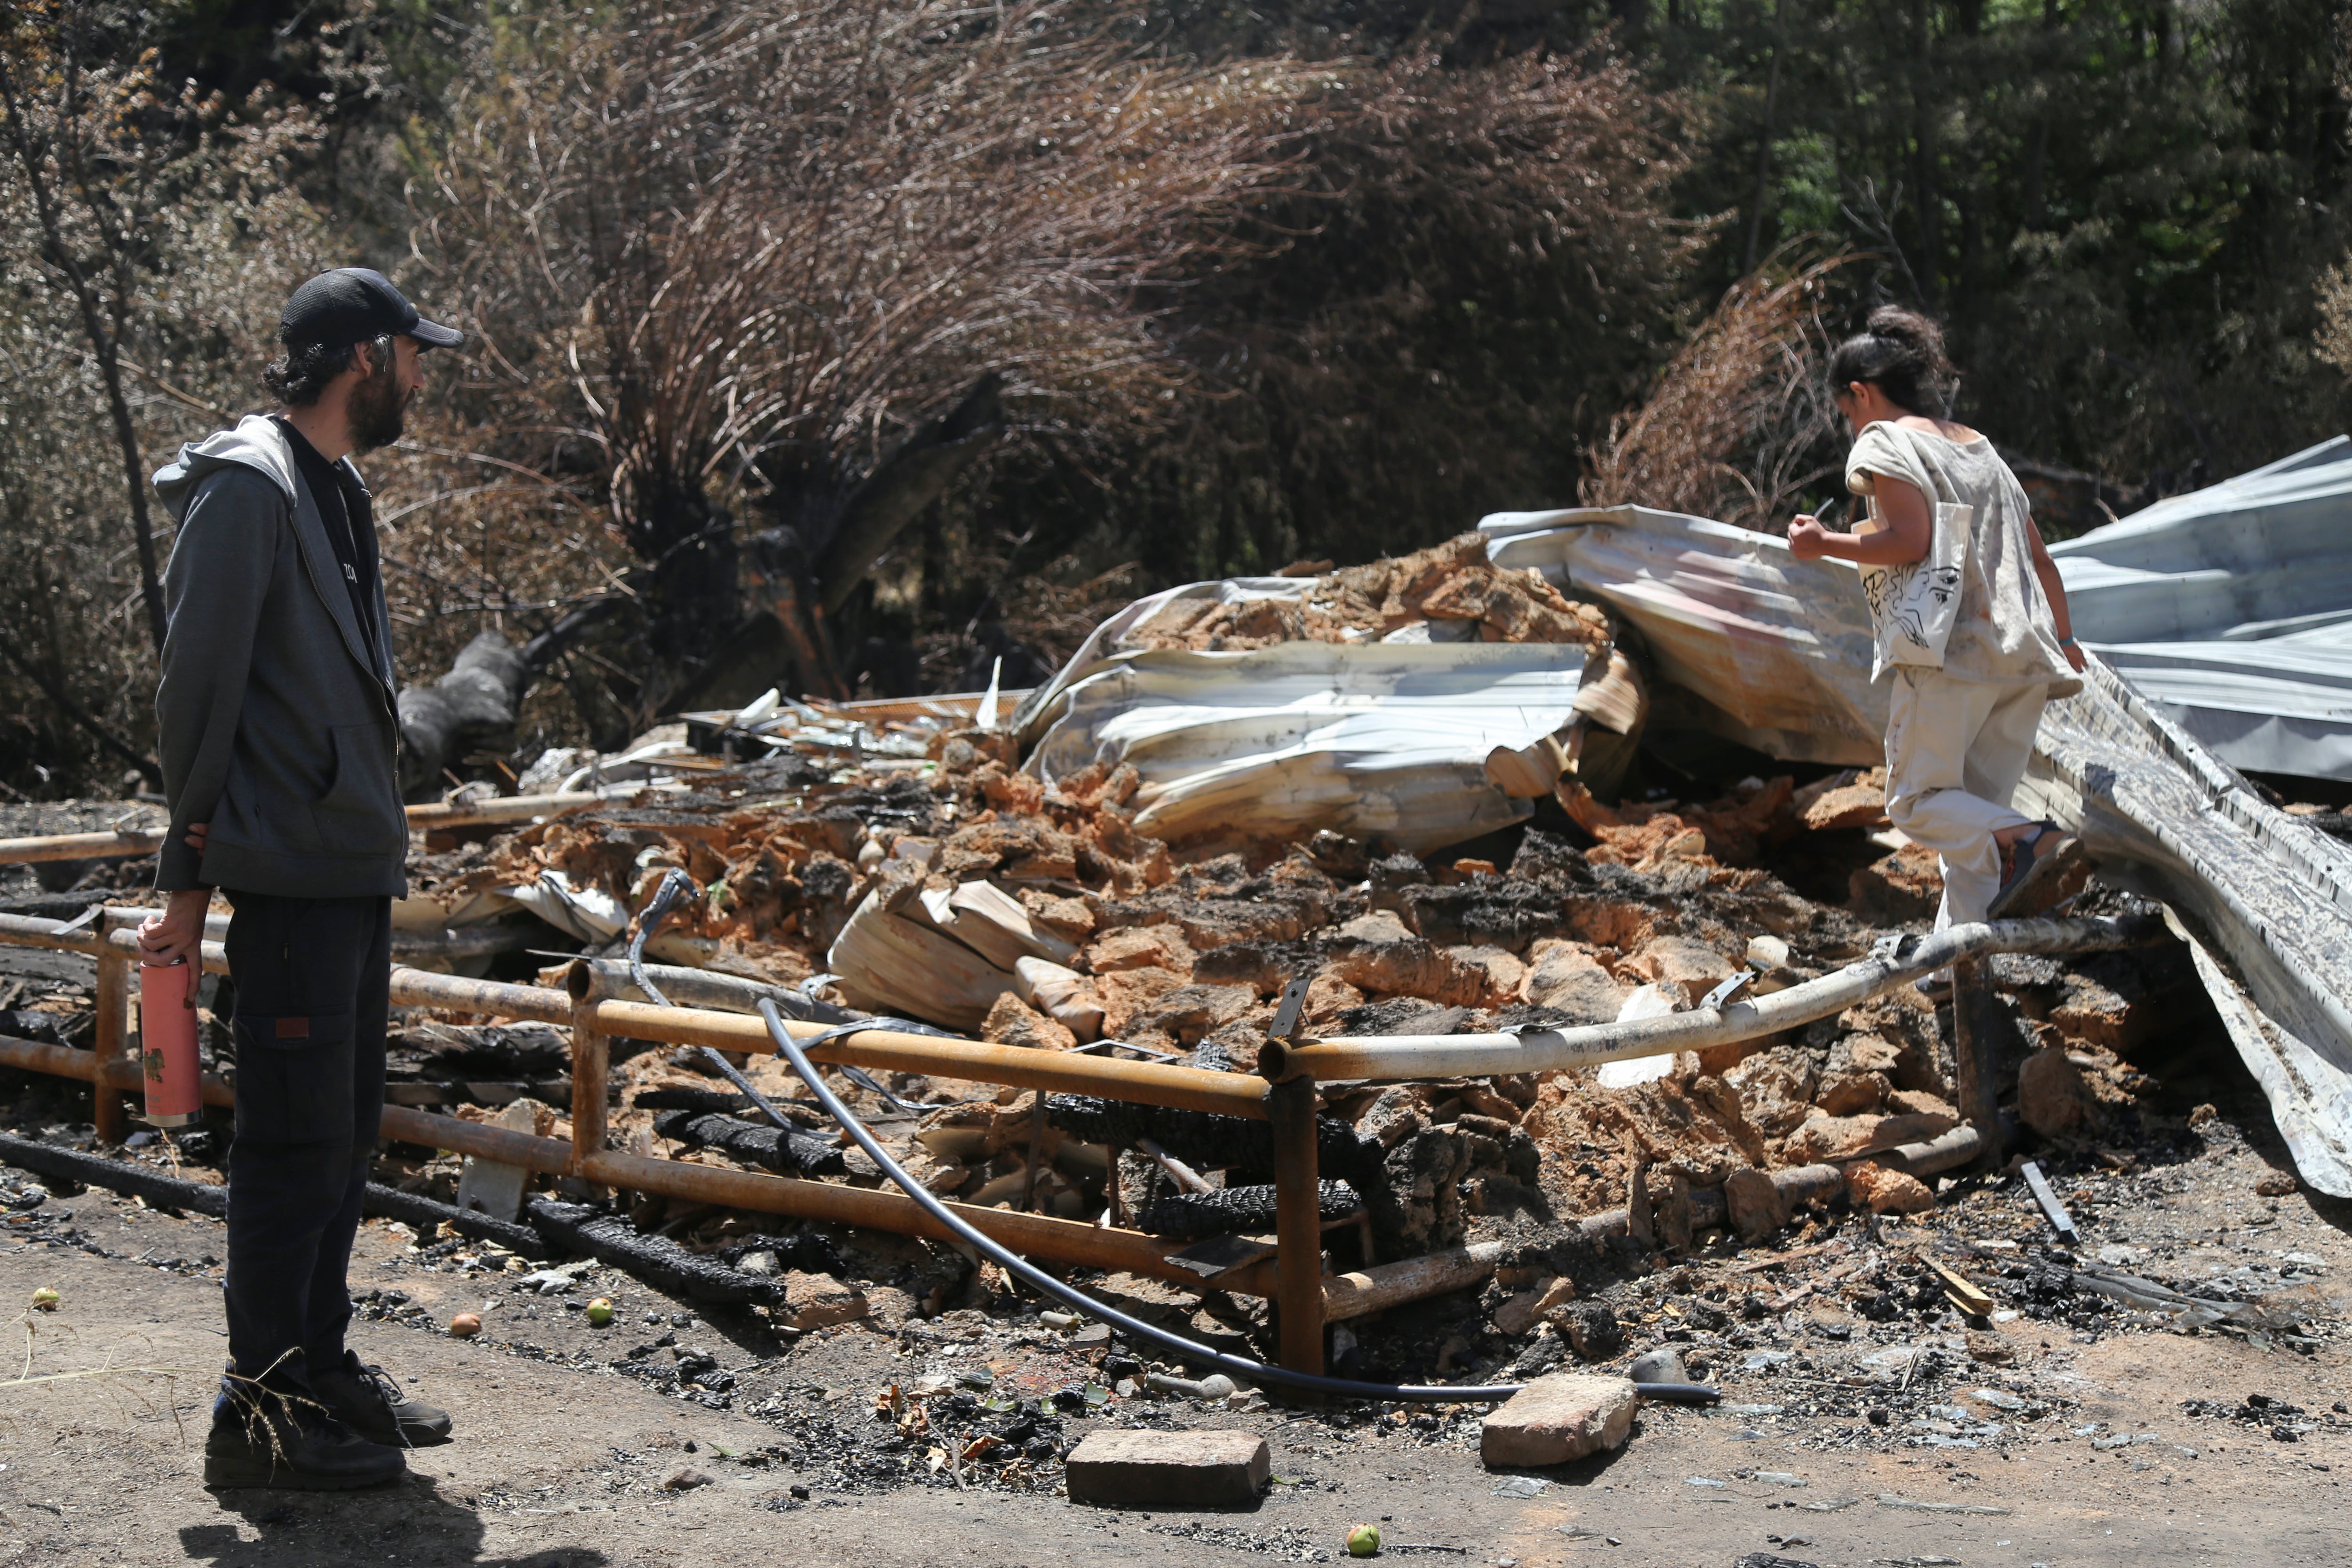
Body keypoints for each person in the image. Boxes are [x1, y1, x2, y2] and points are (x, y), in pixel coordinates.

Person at [137, 268, 463, 1490]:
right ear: (365, 358)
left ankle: (316, 1366)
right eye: (414, 354)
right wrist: (184, 880)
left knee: (343, 1138)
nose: (424, 376)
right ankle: (258, 1406)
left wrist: (434, 722)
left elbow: (331, 696)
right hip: (283, 886)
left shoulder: (339, 488)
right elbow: (196, 693)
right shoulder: (247, 488)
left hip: (348, 876)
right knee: (288, 1145)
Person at [1785, 306, 2090, 964]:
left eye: (1847, 411)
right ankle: (1955, 970)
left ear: (1861, 393)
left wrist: (1821, 543)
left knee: (1917, 802)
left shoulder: (1885, 442)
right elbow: (2041, 560)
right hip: (2025, 659)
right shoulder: (1979, 448)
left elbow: (1911, 539)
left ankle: (2034, 840)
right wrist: (2065, 641)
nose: (1850, 425)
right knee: (1972, 831)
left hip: (1951, 655)